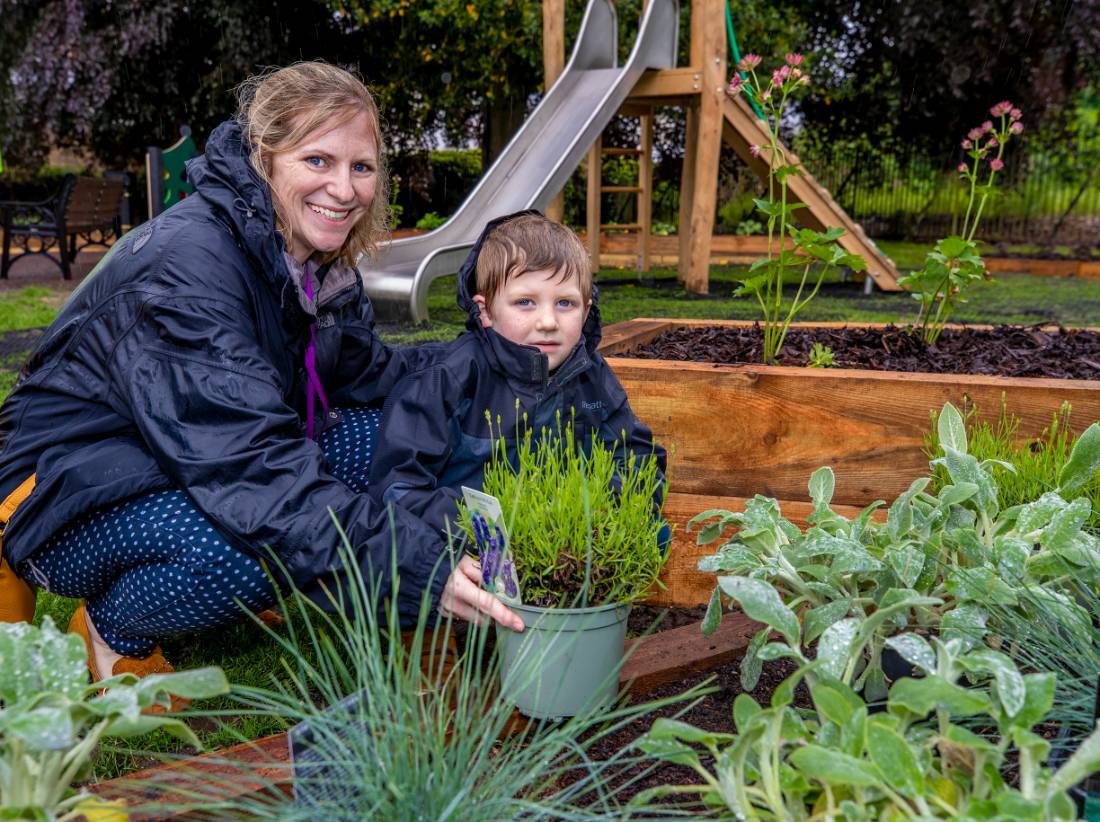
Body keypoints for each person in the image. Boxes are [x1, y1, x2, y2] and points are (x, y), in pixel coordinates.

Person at [0, 62, 521, 684]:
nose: (345, 188)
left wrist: (494, 356)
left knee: (399, 428)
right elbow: (255, 474)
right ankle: (112, 633)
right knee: (253, 547)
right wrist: (415, 567)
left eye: (362, 167)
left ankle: (194, 592)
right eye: (318, 161)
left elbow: (376, 376)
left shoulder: (313, 264)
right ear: (263, 158)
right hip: (57, 486)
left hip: (178, 458)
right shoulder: (187, 272)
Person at [367, 211, 667, 539]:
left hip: (567, 539)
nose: (548, 321)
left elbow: (637, 454)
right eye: (525, 302)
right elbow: (399, 487)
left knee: (657, 536)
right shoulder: (449, 379)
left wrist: (602, 507)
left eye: (565, 303)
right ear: (485, 311)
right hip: (471, 543)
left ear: (586, 309)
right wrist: (481, 529)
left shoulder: (591, 374)